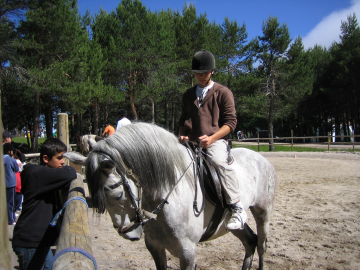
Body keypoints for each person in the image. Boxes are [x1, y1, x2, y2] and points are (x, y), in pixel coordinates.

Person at [178, 49, 247, 230]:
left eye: (204, 73)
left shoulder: (223, 92)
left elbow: (231, 123)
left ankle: (237, 207)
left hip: (216, 141)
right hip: (191, 142)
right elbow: (183, 121)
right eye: (197, 73)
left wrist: (212, 138)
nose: (200, 76)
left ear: (212, 71)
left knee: (217, 160)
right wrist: (183, 134)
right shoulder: (187, 95)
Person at [12, 138, 77, 270]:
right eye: (59, 158)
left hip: (39, 241)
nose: (63, 161)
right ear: (46, 158)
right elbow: (70, 174)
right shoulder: (38, 174)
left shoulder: (41, 174)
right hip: (30, 242)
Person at [3, 143, 19, 225]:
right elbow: (17, 169)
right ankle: (11, 219)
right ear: (9, 151)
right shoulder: (11, 160)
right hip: (10, 183)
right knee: (11, 202)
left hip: (3, 183)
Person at [14, 149, 26, 214]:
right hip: (19, 177)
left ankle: (16, 206)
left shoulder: (15, 161)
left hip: (16, 177)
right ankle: (18, 206)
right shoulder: (22, 163)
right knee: (19, 193)